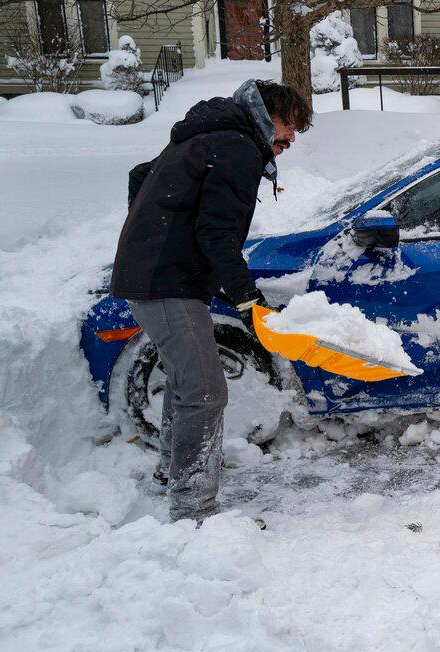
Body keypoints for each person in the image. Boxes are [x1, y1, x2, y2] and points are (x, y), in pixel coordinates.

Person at [109, 79, 313, 523]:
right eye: (288, 125)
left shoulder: (205, 135)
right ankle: (193, 510)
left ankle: (171, 475)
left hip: (157, 277)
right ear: (264, 114)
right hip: (167, 285)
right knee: (204, 391)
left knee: (187, 385)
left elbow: (140, 176)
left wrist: (152, 239)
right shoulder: (237, 146)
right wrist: (246, 298)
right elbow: (216, 233)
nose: (290, 138)